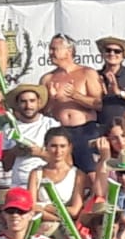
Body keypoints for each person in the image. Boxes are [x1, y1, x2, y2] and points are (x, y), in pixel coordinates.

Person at [40, 34, 104, 174]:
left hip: (85, 130)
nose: (50, 53)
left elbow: (98, 104)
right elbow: (43, 112)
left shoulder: (87, 73)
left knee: (91, 173)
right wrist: (52, 99)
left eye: (54, 49)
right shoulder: (47, 78)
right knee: (63, 172)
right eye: (50, 49)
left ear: (68, 51)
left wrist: (76, 96)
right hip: (60, 132)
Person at [94, 35, 125, 130]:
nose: (112, 53)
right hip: (101, 128)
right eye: (108, 50)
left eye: (117, 51)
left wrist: (119, 92)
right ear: (102, 54)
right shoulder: (95, 75)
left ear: (123, 56)